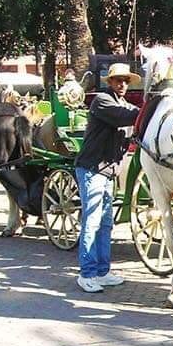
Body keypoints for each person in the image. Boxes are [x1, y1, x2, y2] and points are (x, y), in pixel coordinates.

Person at [74, 62, 140, 293]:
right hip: (92, 169)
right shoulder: (102, 101)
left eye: (125, 81)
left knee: (106, 223)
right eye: (117, 80)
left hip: (108, 172)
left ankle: (102, 271)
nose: (122, 84)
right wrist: (150, 109)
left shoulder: (126, 105)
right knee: (91, 222)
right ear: (109, 82)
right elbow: (123, 117)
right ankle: (87, 274)